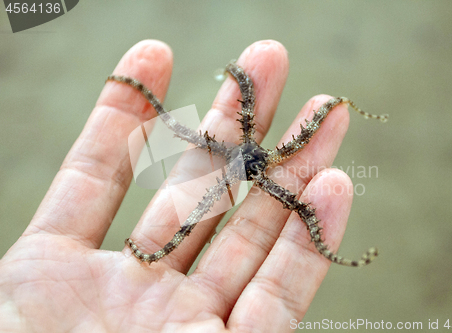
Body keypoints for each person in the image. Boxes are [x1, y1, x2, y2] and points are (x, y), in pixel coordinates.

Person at [0, 40, 356, 332]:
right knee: (199, 200)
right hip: (242, 163)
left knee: (230, 199)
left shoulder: (253, 163)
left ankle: (336, 106)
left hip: (250, 166)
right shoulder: (246, 157)